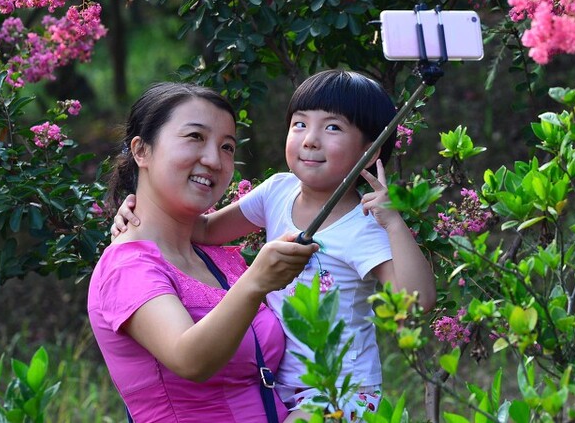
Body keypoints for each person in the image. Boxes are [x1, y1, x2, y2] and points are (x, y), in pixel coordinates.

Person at [113, 69, 437, 421]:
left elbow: (416, 302)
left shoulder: (362, 225)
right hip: (280, 388)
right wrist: (138, 211)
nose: (310, 140)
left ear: (370, 152)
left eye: (332, 128)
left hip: (341, 391)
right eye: (300, 124)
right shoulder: (278, 191)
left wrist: (394, 223)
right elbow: (204, 230)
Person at [88, 82, 319, 423]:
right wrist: (256, 282)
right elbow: (191, 359)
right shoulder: (127, 267)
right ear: (141, 151)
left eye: (227, 147)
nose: (214, 160)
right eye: (195, 137)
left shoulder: (216, 256)